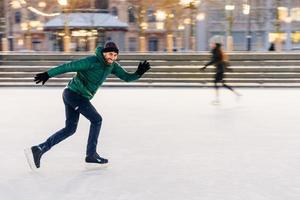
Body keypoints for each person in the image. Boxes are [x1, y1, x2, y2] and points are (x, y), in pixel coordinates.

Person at [24, 41, 151, 169]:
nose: (112, 57)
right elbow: (69, 66)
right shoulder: (91, 61)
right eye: (110, 54)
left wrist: (139, 73)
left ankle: (39, 149)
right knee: (97, 120)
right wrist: (48, 74)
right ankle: (91, 155)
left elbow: (126, 77)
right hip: (74, 94)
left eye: (115, 55)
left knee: (70, 129)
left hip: (76, 96)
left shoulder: (112, 66)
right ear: (104, 53)